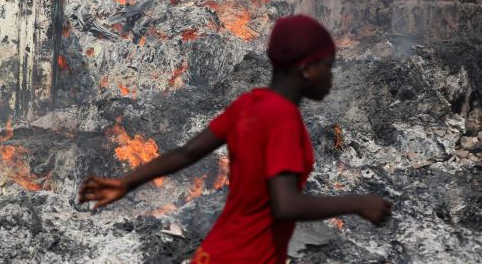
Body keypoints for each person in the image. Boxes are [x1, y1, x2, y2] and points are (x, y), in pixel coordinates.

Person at [78, 15, 392, 263]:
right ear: (307, 69)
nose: (332, 77)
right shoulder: (283, 118)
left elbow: (187, 152)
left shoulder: (249, 104)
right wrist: (359, 202)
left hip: (215, 252)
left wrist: (126, 182)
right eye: (329, 67)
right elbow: (285, 204)